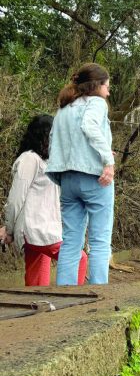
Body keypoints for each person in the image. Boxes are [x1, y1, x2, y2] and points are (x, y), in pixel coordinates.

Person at [46, 63, 114, 285]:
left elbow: (57, 142)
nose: (109, 91)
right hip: (95, 178)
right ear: (97, 85)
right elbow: (89, 126)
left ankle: (65, 291)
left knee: (70, 241)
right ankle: (98, 292)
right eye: (107, 86)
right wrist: (108, 161)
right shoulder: (97, 103)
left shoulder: (64, 109)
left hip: (67, 180)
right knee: (100, 240)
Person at [4, 115, 87, 286]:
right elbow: (15, 199)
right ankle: (71, 303)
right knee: (78, 259)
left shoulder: (48, 163)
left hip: (43, 230)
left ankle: (36, 311)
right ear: (42, 136)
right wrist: (9, 230)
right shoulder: (29, 159)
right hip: (36, 229)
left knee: (37, 282)